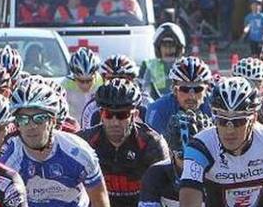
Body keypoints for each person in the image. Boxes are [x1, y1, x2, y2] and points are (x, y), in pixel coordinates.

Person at [179, 77, 263, 207]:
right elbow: (189, 195)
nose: (229, 130)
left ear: (253, 120)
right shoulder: (200, 147)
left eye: (238, 121)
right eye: (223, 120)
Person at [2, 79, 110, 207]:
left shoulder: (79, 152)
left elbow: (100, 202)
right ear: (16, 124)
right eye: (23, 119)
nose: (31, 126)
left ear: (53, 121)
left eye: (39, 118)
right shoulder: (9, 161)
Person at [78, 79, 169, 207]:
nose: (115, 122)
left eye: (122, 115)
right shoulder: (83, 142)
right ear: (101, 115)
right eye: (108, 114)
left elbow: (165, 192)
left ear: (135, 115)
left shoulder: (153, 144)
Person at [140, 110, 213, 207]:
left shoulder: (221, 176)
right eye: (182, 156)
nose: (189, 164)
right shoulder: (155, 174)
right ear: (170, 153)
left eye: (198, 157)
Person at [146, 56, 213, 133]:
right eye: (185, 89)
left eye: (198, 89)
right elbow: (152, 143)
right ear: (174, 90)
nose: (191, 96)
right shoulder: (157, 109)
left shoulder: (215, 107)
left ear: (206, 90)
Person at [81, 54, 149, 128]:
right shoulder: (92, 108)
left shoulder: (146, 105)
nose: (117, 85)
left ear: (132, 80)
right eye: (111, 79)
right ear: (103, 80)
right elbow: (85, 137)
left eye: (122, 79)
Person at [140, 22, 187, 99]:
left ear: (178, 48)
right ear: (158, 48)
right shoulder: (152, 66)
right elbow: (145, 91)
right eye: (165, 45)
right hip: (157, 107)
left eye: (171, 45)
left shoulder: (185, 65)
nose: (168, 49)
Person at [64, 48, 103, 124]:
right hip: (74, 127)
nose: (85, 85)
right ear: (74, 77)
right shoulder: (65, 85)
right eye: (81, 81)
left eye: (89, 81)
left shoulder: (101, 82)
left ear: (95, 75)